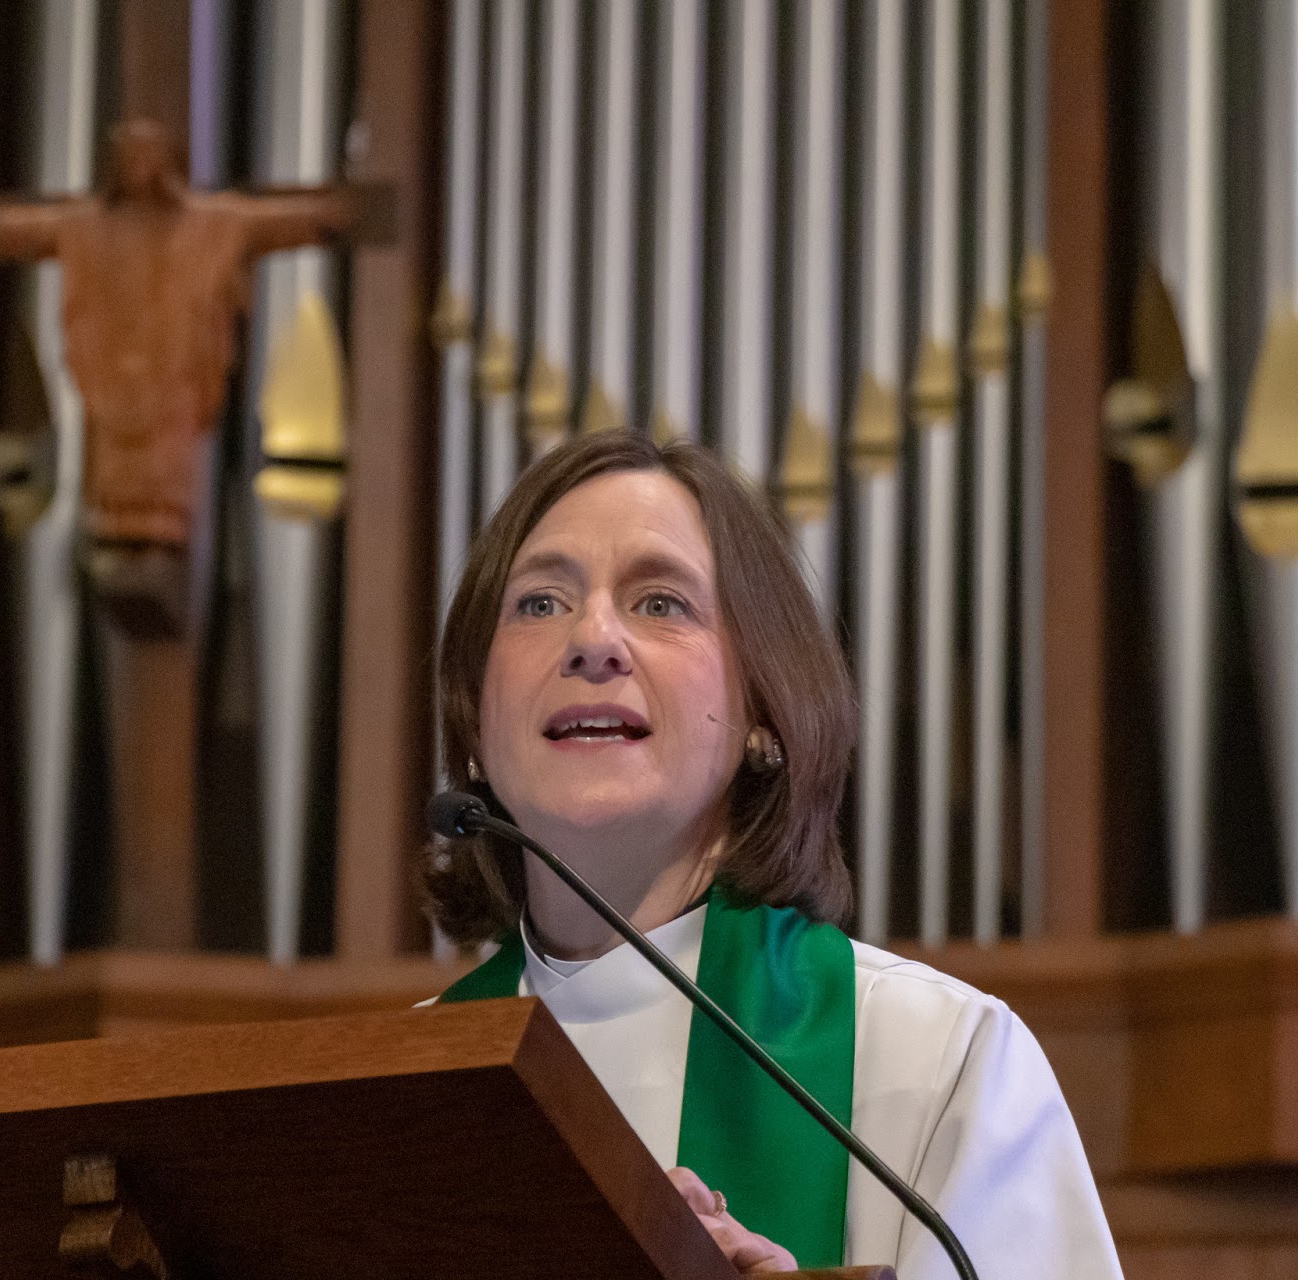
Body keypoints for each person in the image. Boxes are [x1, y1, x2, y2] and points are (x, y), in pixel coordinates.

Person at [423, 432, 1123, 1280]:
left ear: (763, 713)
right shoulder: (399, 1088)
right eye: (539, 602)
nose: (592, 637)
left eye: (660, 603)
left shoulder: (936, 1061)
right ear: (474, 717)